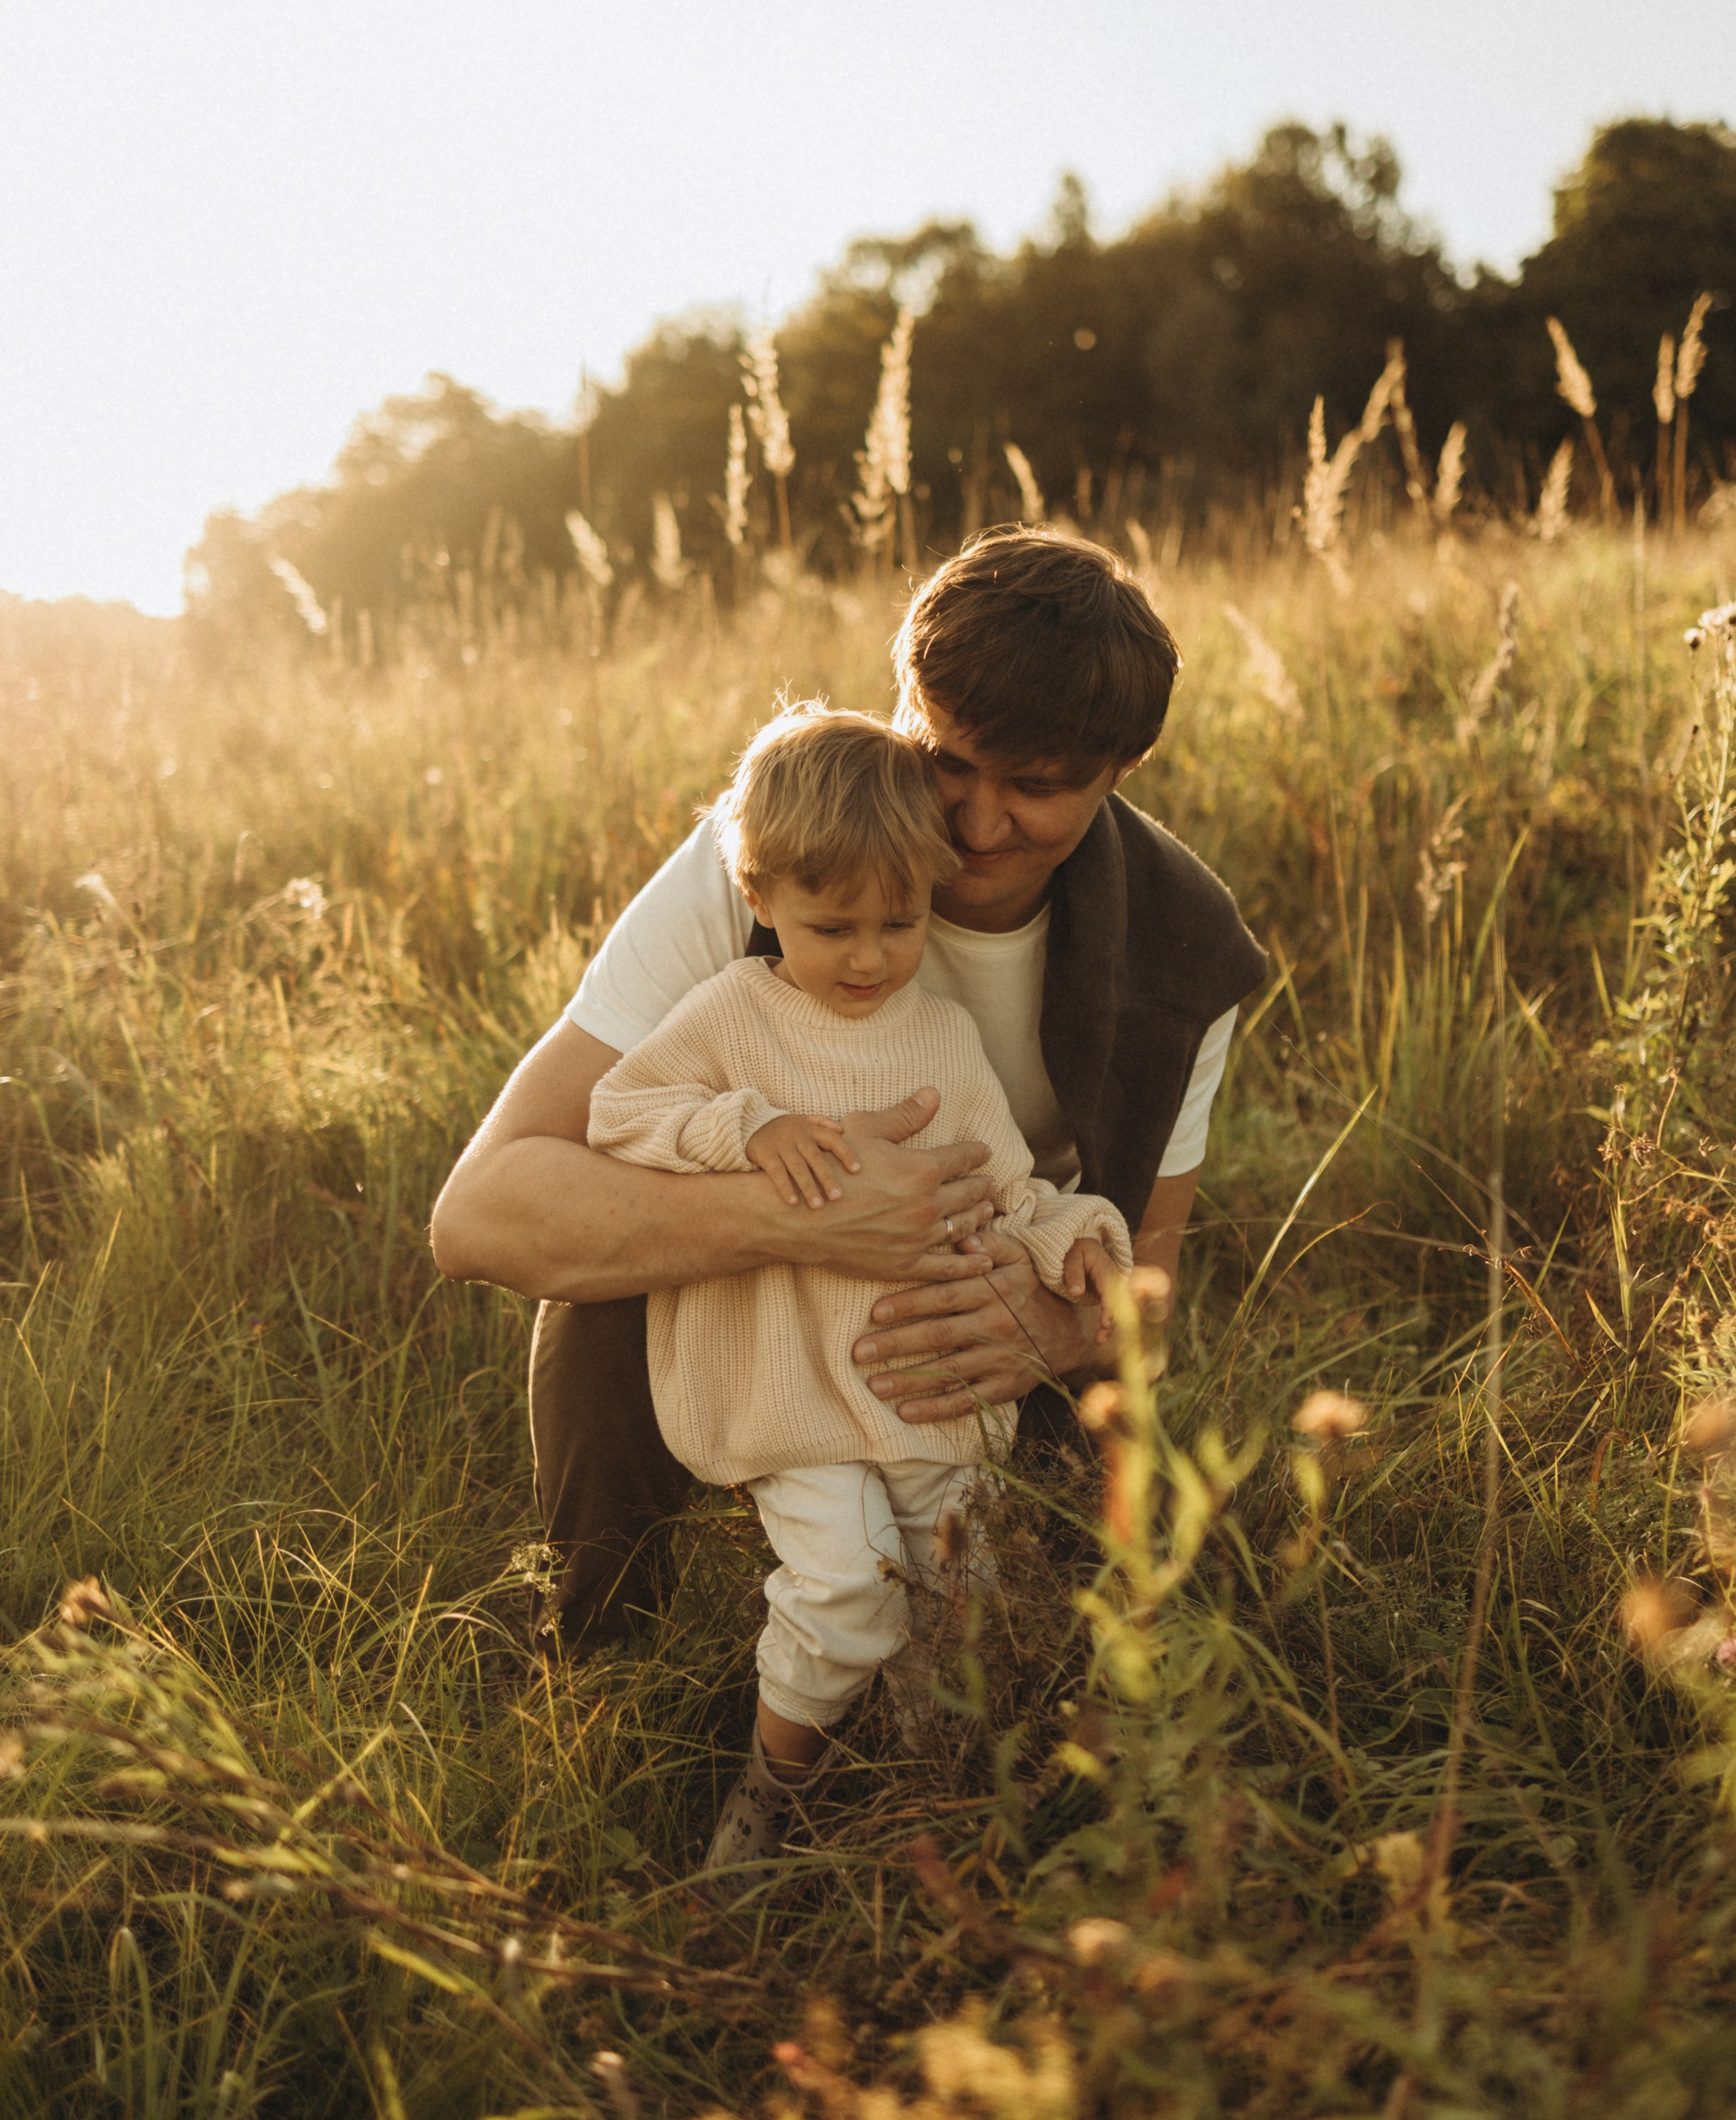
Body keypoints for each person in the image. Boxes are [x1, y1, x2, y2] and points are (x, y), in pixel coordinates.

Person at [430, 526, 1269, 1655]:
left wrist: (1063, 1329)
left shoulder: (1187, 945)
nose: (975, 826)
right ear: (906, 703)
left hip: (975, 1298)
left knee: (1056, 1628)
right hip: (739, 1293)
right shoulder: (769, 855)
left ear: (1123, 770)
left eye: (1037, 788)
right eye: (951, 761)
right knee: (592, 1300)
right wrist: (799, 1215)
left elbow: (1152, 1280)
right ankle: (601, 1665)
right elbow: (479, 1214)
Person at [585, 703, 1131, 1865]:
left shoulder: (936, 1032)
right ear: (760, 896)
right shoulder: (734, 1014)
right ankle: (768, 1800)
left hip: (924, 1383)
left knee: (964, 1594)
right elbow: (621, 1113)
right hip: (789, 1387)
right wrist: (749, 1124)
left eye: (904, 921)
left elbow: (1008, 1187)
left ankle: (927, 1798)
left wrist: (1075, 1236)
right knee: (844, 1591)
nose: (873, 957)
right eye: (833, 926)